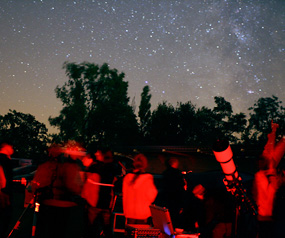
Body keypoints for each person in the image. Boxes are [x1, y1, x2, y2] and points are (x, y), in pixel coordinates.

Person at [31, 142, 84, 238]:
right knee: (59, 231)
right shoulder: (71, 167)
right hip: (64, 206)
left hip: (47, 204)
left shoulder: (44, 166)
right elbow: (76, 187)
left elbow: (35, 185)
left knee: (44, 231)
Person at [252, 121, 285, 238]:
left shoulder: (264, 174)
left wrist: (274, 131)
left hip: (266, 217)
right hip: (265, 217)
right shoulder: (263, 175)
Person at [85, 148, 119, 238]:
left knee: (90, 228)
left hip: (94, 203)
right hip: (106, 203)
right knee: (107, 228)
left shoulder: (95, 167)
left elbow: (88, 183)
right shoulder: (113, 168)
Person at [122, 153, 158, 225]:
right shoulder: (148, 178)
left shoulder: (127, 178)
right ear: (145, 165)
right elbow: (151, 197)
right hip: (143, 214)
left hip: (129, 212)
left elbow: (124, 194)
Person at [161, 158, 186, 228]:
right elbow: (181, 186)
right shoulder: (178, 173)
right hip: (176, 198)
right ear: (175, 163)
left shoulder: (165, 173)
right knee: (175, 217)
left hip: (167, 198)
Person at [0, 141, 14, 238]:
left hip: (4, 191)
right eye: (11, 146)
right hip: (3, 192)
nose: (12, 148)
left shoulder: (6, 159)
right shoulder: (4, 159)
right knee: (4, 215)